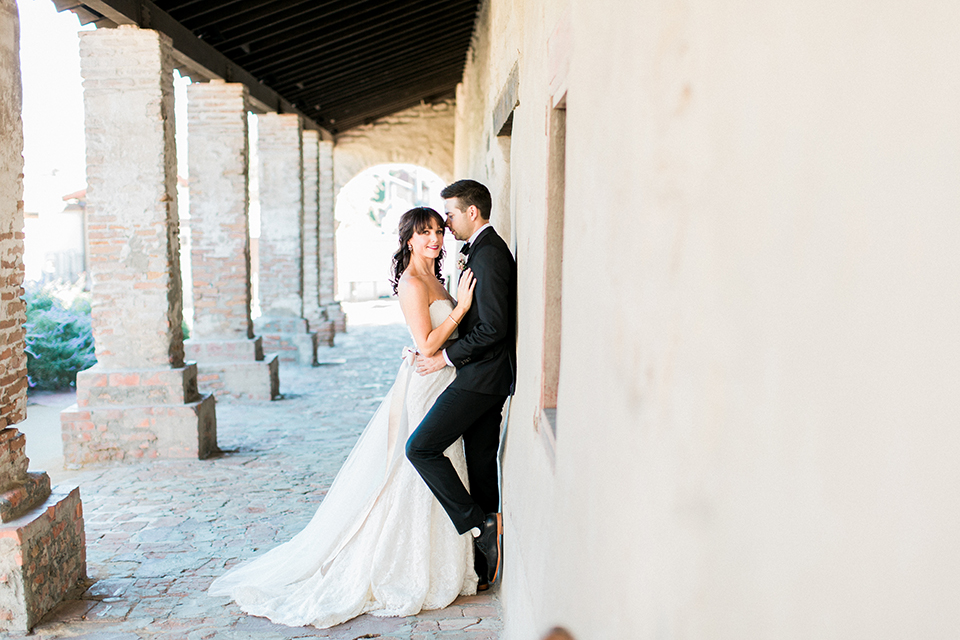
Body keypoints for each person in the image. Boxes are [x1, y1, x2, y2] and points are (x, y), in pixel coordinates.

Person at [208, 207, 479, 628]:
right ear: (408, 238)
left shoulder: (435, 277)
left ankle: (450, 555)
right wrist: (461, 309)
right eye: (424, 233)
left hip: (444, 380)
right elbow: (426, 345)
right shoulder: (411, 282)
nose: (434, 239)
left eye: (439, 232)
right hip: (428, 383)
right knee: (417, 468)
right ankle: (404, 563)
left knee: (439, 463)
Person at [407, 179, 517, 590]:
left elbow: (492, 327)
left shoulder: (488, 255)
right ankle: (484, 561)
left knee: (420, 448)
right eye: (432, 228)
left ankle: (477, 523)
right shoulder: (480, 254)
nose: (445, 227)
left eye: (448, 216)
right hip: (486, 376)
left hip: (478, 377)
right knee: (480, 464)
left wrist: (445, 358)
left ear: (472, 212)